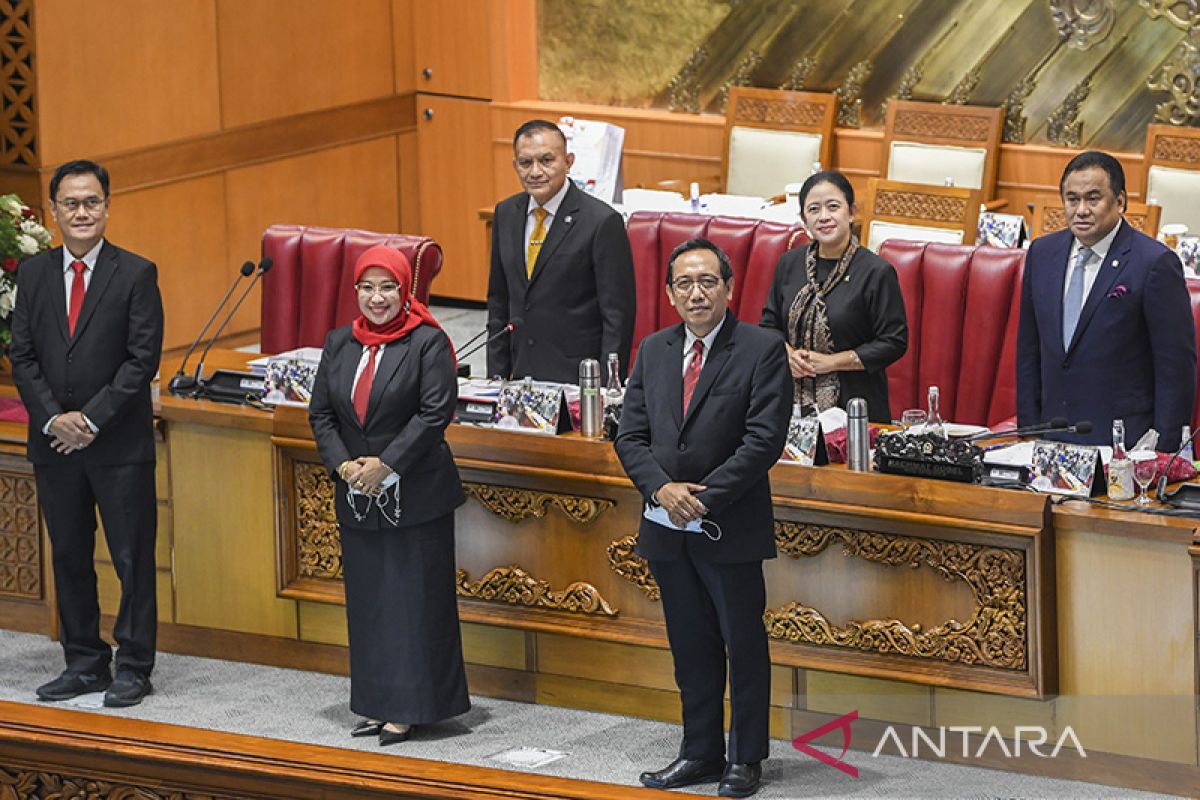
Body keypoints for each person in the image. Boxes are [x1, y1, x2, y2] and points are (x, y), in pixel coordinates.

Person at [615, 239, 791, 798]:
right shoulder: (654, 349)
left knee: (742, 644)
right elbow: (630, 435)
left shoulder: (762, 349)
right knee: (689, 645)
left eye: (708, 281)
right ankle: (699, 752)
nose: (697, 292)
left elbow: (763, 442)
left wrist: (704, 497)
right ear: (669, 294)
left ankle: (745, 759)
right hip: (666, 524)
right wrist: (663, 490)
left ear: (729, 288)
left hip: (728, 524)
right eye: (685, 283)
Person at [10, 160, 164, 707]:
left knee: (131, 558)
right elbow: (22, 355)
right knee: (69, 555)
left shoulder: (136, 273)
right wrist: (55, 419)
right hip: (54, 444)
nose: (82, 212)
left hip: (118, 446)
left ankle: (134, 665)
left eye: (92, 202)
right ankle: (83, 661)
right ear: (53, 211)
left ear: (106, 207)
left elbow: (141, 361)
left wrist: (91, 420)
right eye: (71, 203)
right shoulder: (32, 274)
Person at [308, 245, 469, 746]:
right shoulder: (340, 342)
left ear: (406, 291)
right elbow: (322, 414)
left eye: (388, 287)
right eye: (367, 287)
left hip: (415, 493)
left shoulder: (427, 343)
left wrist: (388, 465)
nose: (377, 298)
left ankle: (416, 708)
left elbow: (434, 413)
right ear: (355, 291)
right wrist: (344, 466)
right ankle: (379, 704)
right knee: (371, 604)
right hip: (357, 492)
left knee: (414, 604)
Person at [1017, 151, 1196, 450]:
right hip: (1052, 436)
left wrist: (1164, 451)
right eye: (1072, 199)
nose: (1081, 210)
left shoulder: (1154, 263)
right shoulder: (1042, 254)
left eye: (1093, 198)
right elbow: (1028, 349)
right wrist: (1029, 430)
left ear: (1120, 202)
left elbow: (1175, 369)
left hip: (1125, 445)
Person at [486, 119, 636, 384]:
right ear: (515, 166)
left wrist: (604, 389)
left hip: (577, 381)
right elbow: (499, 302)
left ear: (568, 161)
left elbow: (617, 318)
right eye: (525, 163)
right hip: (521, 377)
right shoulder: (506, 213)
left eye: (546, 160)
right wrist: (495, 378)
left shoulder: (601, 222)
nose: (535, 172)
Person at [759, 170, 907, 424]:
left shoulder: (876, 272)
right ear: (804, 218)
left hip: (856, 408)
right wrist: (789, 355)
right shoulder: (789, 263)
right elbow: (768, 326)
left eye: (833, 207)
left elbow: (893, 342)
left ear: (851, 212)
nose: (824, 217)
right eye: (814, 209)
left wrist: (831, 363)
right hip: (790, 404)